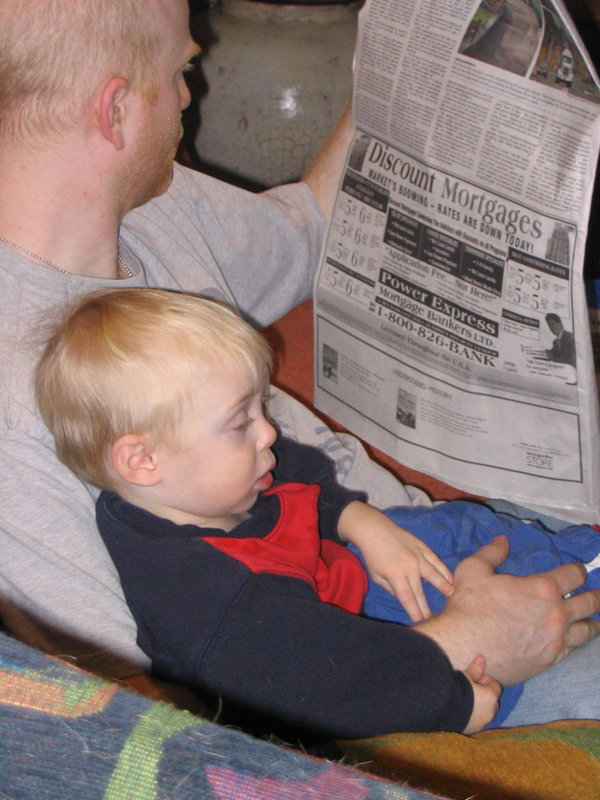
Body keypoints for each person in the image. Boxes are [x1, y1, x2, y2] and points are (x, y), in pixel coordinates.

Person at [0, 0, 599, 724]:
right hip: (392, 662)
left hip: (398, 538)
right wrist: (464, 642)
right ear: (115, 110)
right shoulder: (15, 413)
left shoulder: (152, 204)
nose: (189, 95)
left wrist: (402, 58)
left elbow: (311, 226)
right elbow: (143, 718)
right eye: (181, 71)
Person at [35, 288, 600, 740]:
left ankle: (567, 548)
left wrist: (357, 520)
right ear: (142, 461)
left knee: (478, 525)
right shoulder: (216, 610)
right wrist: (453, 703)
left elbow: (299, 477)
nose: (269, 433)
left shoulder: (208, 483)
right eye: (240, 422)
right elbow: (328, 688)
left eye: (261, 407)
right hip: (385, 663)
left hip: (359, 580)